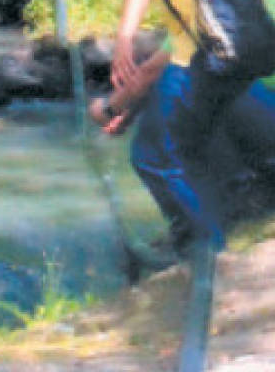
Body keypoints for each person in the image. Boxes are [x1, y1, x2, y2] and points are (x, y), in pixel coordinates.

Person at [89, 0, 275, 250]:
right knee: (205, 118)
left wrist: (123, 39)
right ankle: (232, 217)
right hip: (248, 45)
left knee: (155, 155)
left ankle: (208, 254)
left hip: (207, 54)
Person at [90, 25, 275, 256]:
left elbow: (161, 68)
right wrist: (133, 109)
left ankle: (202, 243)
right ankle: (242, 200)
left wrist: (109, 108)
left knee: (155, 152)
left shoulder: (216, 2)